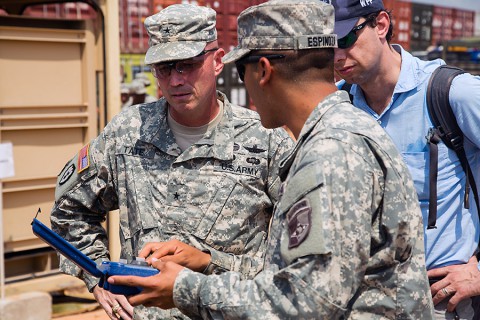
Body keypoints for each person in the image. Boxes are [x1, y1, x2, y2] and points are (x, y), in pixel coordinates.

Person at [107, 1, 435, 318]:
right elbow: (295, 276)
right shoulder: (342, 133)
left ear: (262, 71)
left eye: (241, 69)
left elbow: (302, 305)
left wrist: (184, 289)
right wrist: (207, 262)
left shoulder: (331, 152)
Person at [50, 4, 293, 320]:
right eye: (164, 68)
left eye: (187, 65)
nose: (176, 80)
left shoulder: (266, 140)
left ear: (217, 61)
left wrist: (209, 261)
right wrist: (98, 276)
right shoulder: (127, 133)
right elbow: (70, 210)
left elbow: (293, 262)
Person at [332, 0, 480, 318]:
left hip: (439, 303)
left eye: (345, 40)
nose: (337, 56)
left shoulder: (451, 94)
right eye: (327, 46)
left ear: (381, 25)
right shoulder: (336, 107)